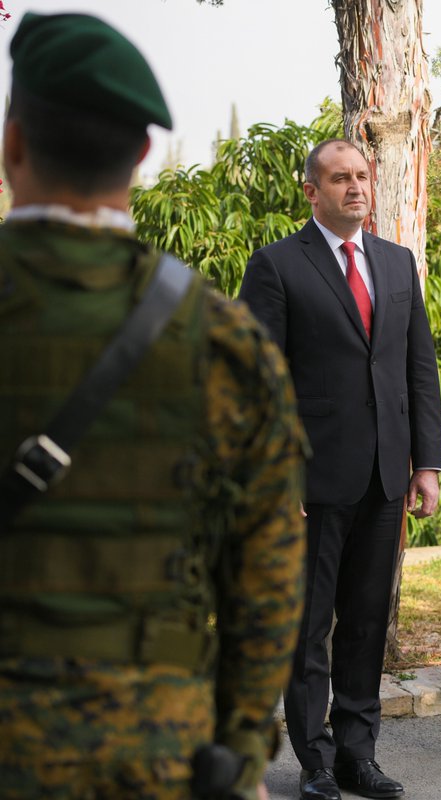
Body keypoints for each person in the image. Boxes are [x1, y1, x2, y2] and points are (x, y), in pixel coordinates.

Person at [0, 12, 306, 799]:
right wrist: (239, 748)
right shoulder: (225, 341)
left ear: (12, 142)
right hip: (156, 752)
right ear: (140, 153)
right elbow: (267, 581)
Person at [239, 139, 441, 800]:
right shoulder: (275, 266)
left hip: (387, 473)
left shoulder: (395, 261)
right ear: (311, 191)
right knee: (310, 627)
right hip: (312, 481)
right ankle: (316, 759)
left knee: (365, 621)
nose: (356, 187)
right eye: (340, 178)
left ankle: (360, 751)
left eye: (362, 175)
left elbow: (419, 368)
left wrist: (428, 463)